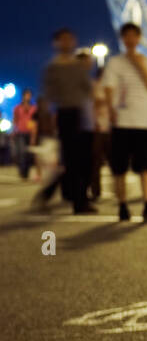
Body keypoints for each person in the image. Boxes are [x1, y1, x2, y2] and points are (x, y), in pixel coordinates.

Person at [99, 23, 147, 221]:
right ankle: (123, 206)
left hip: (143, 120)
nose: (130, 40)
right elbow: (108, 87)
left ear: (138, 38)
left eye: (134, 36)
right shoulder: (115, 62)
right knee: (120, 167)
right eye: (126, 36)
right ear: (122, 39)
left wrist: (138, 63)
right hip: (122, 120)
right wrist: (110, 110)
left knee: (146, 166)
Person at [38, 28, 96, 213]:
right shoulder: (52, 67)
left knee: (80, 160)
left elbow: (88, 89)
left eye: (69, 39)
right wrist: (46, 117)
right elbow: (48, 94)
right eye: (62, 40)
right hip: (64, 114)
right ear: (56, 43)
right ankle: (78, 200)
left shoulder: (77, 66)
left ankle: (66, 195)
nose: (66, 43)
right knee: (72, 160)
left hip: (80, 114)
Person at [12, 90, 37, 180]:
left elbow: (35, 122)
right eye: (26, 95)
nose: (28, 97)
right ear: (23, 96)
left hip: (30, 133)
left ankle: (26, 172)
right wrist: (13, 130)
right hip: (20, 132)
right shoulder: (17, 108)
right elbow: (15, 120)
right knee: (21, 152)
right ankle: (22, 171)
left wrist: (34, 135)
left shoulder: (34, 108)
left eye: (29, 95)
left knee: (29, 154)